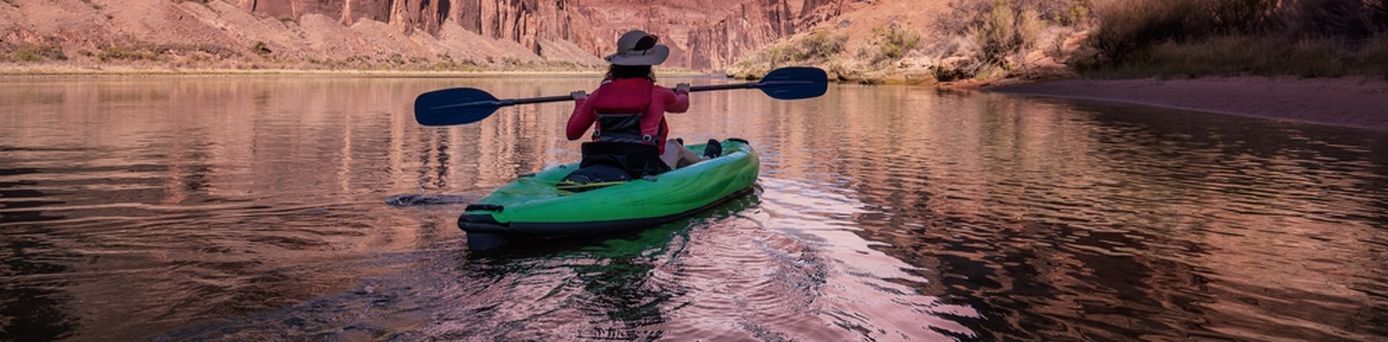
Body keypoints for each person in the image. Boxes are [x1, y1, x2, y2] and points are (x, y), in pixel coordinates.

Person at [565, 30, 721, 179]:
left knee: (670, 145)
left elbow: (572, 133)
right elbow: (681, 106)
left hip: (604, 160)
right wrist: (682, 91)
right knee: (674, 146)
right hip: (643, 168)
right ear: (648, 65)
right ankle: (708, 161)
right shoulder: (659, 93)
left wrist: (580, 102)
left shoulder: (597, 95)